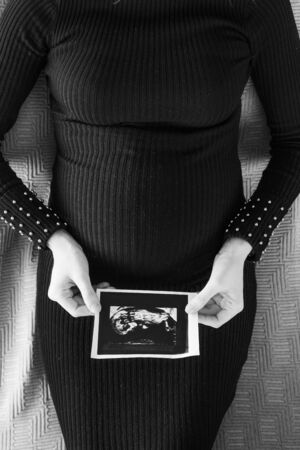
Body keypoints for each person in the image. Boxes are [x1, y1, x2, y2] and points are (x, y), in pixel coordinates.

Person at [0, 0, 299, 448]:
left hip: (211, 289)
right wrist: (52, 239)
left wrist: (244, 246)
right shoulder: (43, 5)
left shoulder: (255, 5)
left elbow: (296, 143)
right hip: (83, 293)